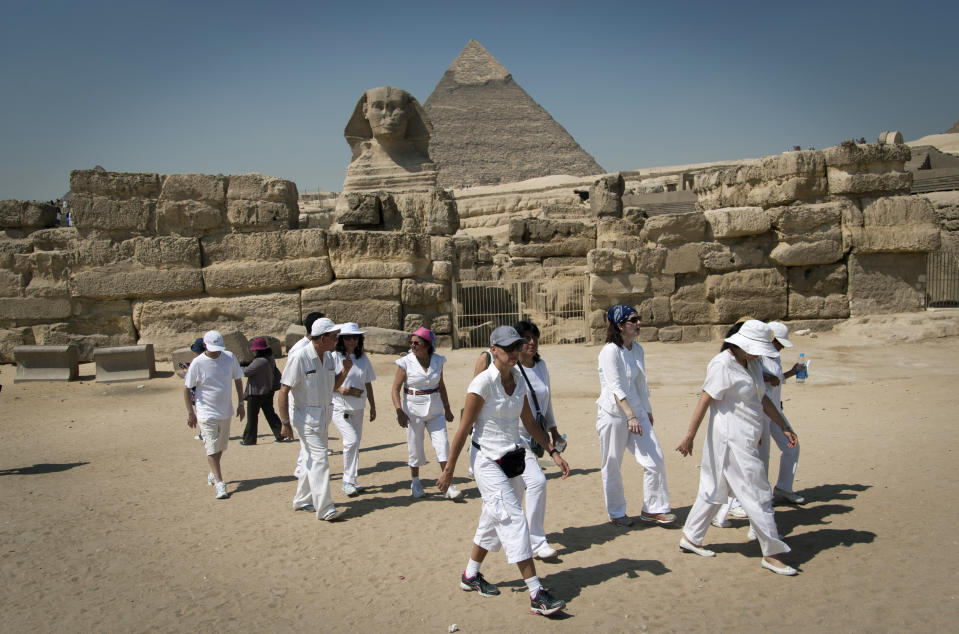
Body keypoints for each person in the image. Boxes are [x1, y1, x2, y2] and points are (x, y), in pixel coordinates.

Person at [438, 326, 571, 617]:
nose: (514, 352)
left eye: (517, 346)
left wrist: (553, 451)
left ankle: (470, 574)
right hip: (486, 460)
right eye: (508, 347)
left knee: (492, 517)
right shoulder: (482, 384)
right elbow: (463, 429)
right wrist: (449, 470)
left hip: (513, 457)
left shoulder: (520, 380)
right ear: (493, 349)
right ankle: (536, 593)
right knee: (511, 517)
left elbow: (529, 422)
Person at [675, 319, 801, 575]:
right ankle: (772, 553)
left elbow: (762, 398)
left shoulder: (752, 363)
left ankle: (690, 537)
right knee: (759, 494)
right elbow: (704, 400)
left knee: (714, 488)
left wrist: (784, 425)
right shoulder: (722, 364)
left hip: (747, 437)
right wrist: (689, 436)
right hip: (730, 440)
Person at [471, 321, 564, 560]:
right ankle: (535, 553)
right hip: (508, 441)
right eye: (525, 339)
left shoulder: (540, 367)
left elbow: (544, 405)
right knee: (527, 492)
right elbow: (472, 415)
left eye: (534, 337)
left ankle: (473, 569)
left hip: (529, 437)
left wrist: (553, 437)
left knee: (503, 502)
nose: (531, 343)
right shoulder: (497, 375)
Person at [596, 305, 675, 527]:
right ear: (620, 325)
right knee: (612, 464)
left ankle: (654, 509)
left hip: (637, 412)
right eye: (633, 320)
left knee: (655, 457)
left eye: (638, 319)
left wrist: (645, 411)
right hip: (613, 415)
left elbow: (640, 384)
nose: (639, 323)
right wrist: (629, 416)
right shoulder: (610, 351)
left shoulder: (638, 350)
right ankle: (617, 512)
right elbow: (615, 386)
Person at [277, 318, 346, 521]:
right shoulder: (299, 357)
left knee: (310, 458)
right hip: (305, 420)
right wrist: (285, 423)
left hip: (323, 418)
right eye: (334, 337)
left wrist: (345, 371)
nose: (336, 340)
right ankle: (325, 508)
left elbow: (333, 386)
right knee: (320, 461)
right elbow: (283, 391)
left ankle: (301, 500)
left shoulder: (329, 358)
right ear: (323, 338)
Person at [391, 326, 460, 500]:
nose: (413, 346)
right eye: (412, 343)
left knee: (443, 444)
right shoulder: (405, 362)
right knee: (415, 446)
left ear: (428, 345)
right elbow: (395, 389)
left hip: (435, 409)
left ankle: (448, 484)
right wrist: (399, 410)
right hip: (413, 411)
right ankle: (415, 481)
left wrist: (448, 408)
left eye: (417, 343)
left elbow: (441, 385)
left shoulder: (438, 361)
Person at [183, 330, 245, 500]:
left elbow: (238, 379)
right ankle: (220, 482)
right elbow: (187, 387)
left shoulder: (229, 357)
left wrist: (241, 403)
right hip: (205, 412)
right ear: (205, 346)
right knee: (211, 446)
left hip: (225, 411)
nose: (217, 351)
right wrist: (191, 413)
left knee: (221, 446)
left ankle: (213, 471)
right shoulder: (197, 363)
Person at [331, 322, 377, 497]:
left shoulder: (363, 359)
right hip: (338, 406)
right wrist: (339, 388)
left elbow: (367, 383)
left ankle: (351, 480)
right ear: (342, 339)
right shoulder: (334, 357)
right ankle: (346, 481)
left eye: (355, 337)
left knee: (355, 444)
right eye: (348, 337)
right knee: (350, 440)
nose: (352, 340)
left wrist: (373, 405)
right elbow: (327, 382)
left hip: (358, 406)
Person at [762, 321, 805, 504]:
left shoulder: (775, 355)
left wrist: (792, 372)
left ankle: (783, 488)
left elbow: (776, 380)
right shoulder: (756, 353)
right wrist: (768, 377)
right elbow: (748, 374)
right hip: (761, 412)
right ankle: (756, 498)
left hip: (775, 411)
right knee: (761, 457)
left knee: (792, 447)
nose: (781, 347)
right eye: (778, 343)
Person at [289, 312, 325, 474]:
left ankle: (303, 469)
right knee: (309, 441)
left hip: (317, 403)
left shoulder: (323, 349)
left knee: (311, 443)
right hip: (301, 401)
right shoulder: (299, 349)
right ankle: (301, 470)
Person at [240, 337, 286, 445]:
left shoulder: (260, 361)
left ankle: (249, 439)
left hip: (256, 392)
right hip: (268, 390)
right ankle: (281, 433)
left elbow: (246, 372)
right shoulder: (270, 358)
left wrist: (240, 367)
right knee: (270, 413)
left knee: (252, 416)